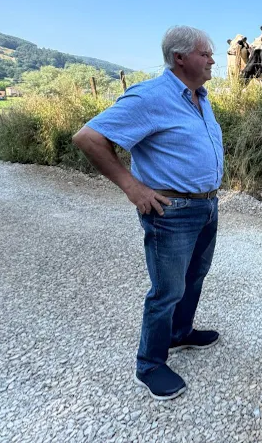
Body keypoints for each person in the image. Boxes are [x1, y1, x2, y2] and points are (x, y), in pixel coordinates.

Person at [72, 26, 224, 400]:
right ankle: (150, 365)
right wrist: (132, 186)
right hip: (171, 211)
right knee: (167, 290)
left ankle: (179, 334)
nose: (212, 60)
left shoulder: (200, 97)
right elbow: (88, 137)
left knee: (195, 276)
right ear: (180, 58)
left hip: (206, 205)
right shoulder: (151, 96)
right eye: (205, 54)